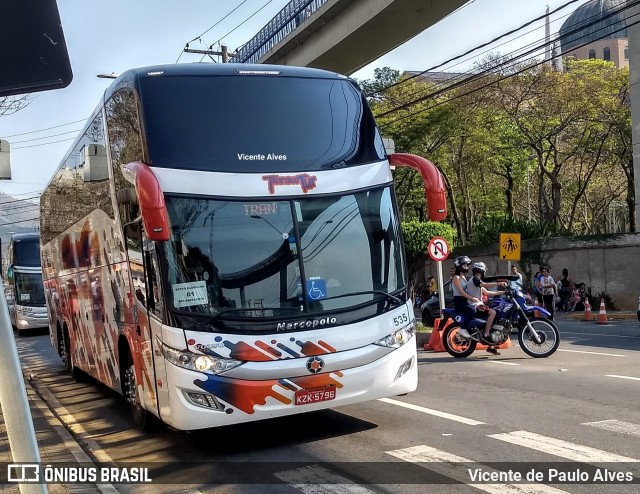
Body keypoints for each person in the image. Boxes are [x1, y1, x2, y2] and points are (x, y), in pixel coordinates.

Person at [451, 257, 503, 355]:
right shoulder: (456, 277)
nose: (466, 267)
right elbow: (462, 292)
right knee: (472, 311)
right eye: (464, 265)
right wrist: (471, 298)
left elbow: (484, 291)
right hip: (460, 300)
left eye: (467, 265)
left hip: (467, 299)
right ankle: (463, 329)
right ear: (459, 266)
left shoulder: (464, 278)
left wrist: (501, 292)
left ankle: (490, 343)